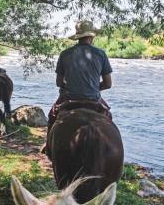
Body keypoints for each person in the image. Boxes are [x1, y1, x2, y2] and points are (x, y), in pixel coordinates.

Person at [43, 20, 113, 154]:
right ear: (91, 36)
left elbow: (59, 82)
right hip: (93, 98)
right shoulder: (101, 54)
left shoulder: (65, 54)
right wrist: (92, 87)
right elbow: (108, 84)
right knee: (108, 117)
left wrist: (73, 86)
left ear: (78, 37)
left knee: (52, 116)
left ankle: (49, 147)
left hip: (69, 97)